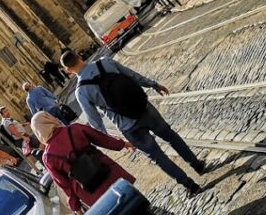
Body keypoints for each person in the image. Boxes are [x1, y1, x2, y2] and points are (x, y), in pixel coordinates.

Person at [61, 48, 206, 195]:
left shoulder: (81, 92)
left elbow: (96, 122)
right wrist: (153, 85)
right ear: (79, 55)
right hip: (144, 108)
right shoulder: (105, 62)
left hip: (128, 126)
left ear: (68, 70)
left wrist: (111, 141)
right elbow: (131, 75)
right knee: (170, 135)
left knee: (158, 157)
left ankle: (190, 186)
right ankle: (197, 164)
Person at [32, 111, 135, 214]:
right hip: (107, 171)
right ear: (50, 119)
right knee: (134, 201)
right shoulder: (74, 128)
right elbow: (101, 139)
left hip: (88, 191)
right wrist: (123, 144)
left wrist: (77, 208)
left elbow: (65, 184)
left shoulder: (48, 157)